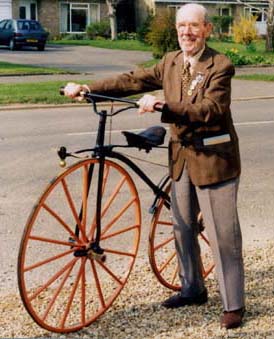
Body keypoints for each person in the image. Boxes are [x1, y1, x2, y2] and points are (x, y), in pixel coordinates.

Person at [64, 3, 245, 329]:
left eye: (193, 26)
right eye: (181, 26)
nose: (186, 32)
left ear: (207, 30)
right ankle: (192, 288)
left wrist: (163, 106)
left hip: (214, 158)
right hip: (181, 157)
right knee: (182, 225)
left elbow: (210, 110)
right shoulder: (171, 62)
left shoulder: (220, 65)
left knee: (223, 236)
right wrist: (90, 88)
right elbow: (133, 80)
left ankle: (234, 303)